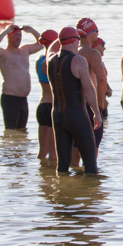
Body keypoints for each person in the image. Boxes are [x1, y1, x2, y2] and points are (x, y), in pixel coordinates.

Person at [46, 27, 100, 175]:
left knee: (62, 165)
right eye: (78, 40)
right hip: (76, 116)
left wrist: (61, 37)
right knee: (90, 165)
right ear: (75, 41)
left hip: (57, 116)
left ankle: (62, 195)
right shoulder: (78, 60)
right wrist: (97, 113)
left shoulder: (50, 60)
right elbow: (88, 90)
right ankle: (90, 194)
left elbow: (50, 49)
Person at [0, 24, 44, 130]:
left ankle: (21, 147)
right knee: (10, 131)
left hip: (23, 99)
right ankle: (9, 147)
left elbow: (42, 44)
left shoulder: (25, 50)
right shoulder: (3, 54)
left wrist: (32, 30)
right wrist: (5, 31)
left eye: (20, 35)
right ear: (9, 37)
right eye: (16, 35)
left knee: (22, 131)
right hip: (10, 98)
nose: (19, 38)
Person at [76, 18, 108, 151]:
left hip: (75, 106)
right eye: (96, 31)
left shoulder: (73, 52)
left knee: (75, 150)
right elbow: (101, 79)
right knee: (92, 152)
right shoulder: (92, 53)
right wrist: (100, 105)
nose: (97, 35)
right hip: (89, 106)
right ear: (89, 34)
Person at [35, 29, 58, 164]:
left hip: (42, 105)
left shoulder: (38, 60)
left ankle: (43, 180)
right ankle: (51, 181)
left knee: (42, 152)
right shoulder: (51, 61)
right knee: (54, 155)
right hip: (51, 106)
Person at [93, 37, 113, 119]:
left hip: (102, 98)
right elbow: (93, 81)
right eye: (102, 45)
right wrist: (101, 100)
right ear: (96, 46)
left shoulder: (100, 62)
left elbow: (102, 78)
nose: (104, 48)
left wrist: (108, 88)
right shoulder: (92, 61)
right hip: (97, 100)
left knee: (103, 124)